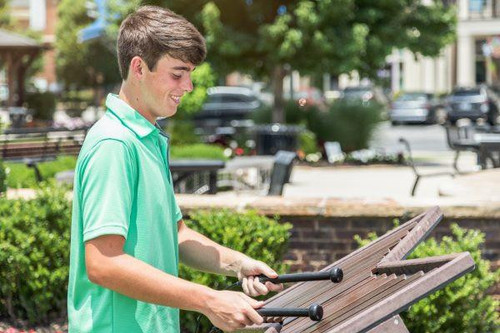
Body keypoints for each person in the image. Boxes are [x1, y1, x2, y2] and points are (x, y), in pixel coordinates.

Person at [67, 5, 282, 333]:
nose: (189, 86)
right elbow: (103, 263)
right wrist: (210, 300)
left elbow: (176, 234)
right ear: (139, 68)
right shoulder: (114, 143)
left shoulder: (148, 139)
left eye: (190, 74)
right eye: (178, 73)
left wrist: (239, 265)